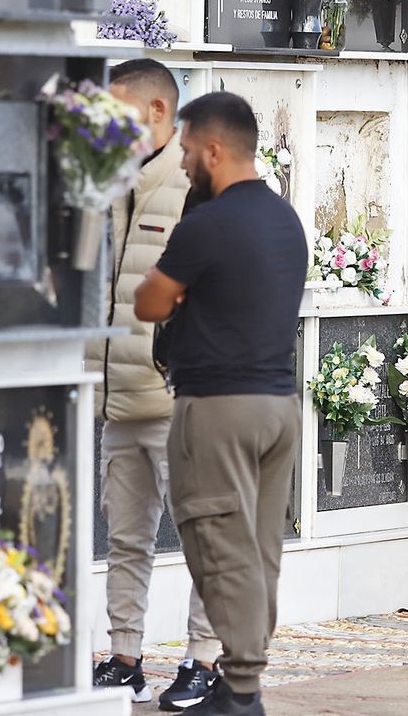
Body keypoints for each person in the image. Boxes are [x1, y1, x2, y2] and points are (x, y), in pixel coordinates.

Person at [135, 91, 307, 716]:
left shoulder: (206, 223)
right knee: (260, 550)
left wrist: (176, 295)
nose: (181, 164)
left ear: (213, 150)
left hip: (218, 406)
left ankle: (238, 694)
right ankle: (245, 679)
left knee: (217, 543)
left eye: (185, 150)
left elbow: (149, 303)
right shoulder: (285, 218)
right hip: (278, 405)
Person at [90, 60, 219, 709]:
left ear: (158, 113)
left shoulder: (202, 184)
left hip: (180, 401)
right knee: (125, 539)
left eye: (119, 112)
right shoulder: (105, 182)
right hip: (118, 399)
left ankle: (204, 660)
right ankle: (125, 657)